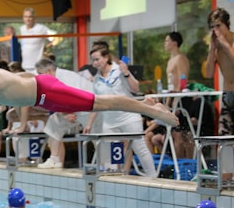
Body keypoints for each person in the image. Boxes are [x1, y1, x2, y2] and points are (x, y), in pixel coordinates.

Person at [0, 67, 178, 189]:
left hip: (44, 93)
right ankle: (145, 103)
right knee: (99, 105)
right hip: (38, 90)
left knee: (100, 104)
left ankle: (149, 108)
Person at [90, 43, 156, 176]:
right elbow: (97, 102)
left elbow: (136, 89)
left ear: (106, 57)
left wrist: (126, 73)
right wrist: (89, 123)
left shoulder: (119, 70)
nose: (94, 63)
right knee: (109, 151)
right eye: (93, 60)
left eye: (97, 59)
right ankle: (113, 178)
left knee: (139, 148)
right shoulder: (96, 79)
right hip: (109, 121)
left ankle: (152, 176)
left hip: (128, 117)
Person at [35, 58, 103, 168]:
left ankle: (107, 167)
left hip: (91, 109)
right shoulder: (53, 80)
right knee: (54, 122)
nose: (39, 77)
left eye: (40, 73)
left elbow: (76, 96)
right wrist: (65, 113)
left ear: (48, 71)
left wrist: (69, 112)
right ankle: (54, 159)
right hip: (78, 109)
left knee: (99, 141)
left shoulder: (66, 77)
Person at [205, 7, 234, 181]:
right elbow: (209, 73)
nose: (215, 31)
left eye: (218, 26)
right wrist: (211, 50)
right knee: (225, 140)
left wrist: (225, 45)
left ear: (227, 24)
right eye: (212, 27)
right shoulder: (216, 48)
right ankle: (227, 180)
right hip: (228, 97)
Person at [164, 31, 192, 159]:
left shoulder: (181, 58)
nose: (165, 44)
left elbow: (182, 81)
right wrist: (168, 102)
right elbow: (171, 84)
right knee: (175, 134)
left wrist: (176, 100)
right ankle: (177, 164)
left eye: (167, 41)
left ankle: (185, 164)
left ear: (174, 43)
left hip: (181, 97)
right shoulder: (170, 60)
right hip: (173, 97)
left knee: (182, 134)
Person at [20, 7, 56, 73]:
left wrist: (45, 48)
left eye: (30, 17)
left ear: (34, 18)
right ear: (23, 18)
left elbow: (57, 38)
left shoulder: (41, 28)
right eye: (25, 17)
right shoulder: (22, 29)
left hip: (38, 66)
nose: (28, 19)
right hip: (25, 66)